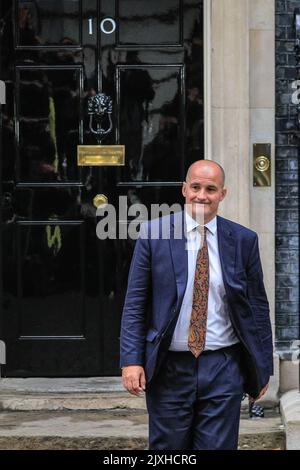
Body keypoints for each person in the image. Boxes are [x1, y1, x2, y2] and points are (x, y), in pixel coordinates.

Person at [120, 160, 273, 450]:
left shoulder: (243, 240)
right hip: (169, 367)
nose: (202, 195)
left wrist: (263, 365)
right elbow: (135, 304)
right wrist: (131, 360)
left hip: (223, 367)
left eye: (211, 189)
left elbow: (257, 309)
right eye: (196, 187)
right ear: (184, 189)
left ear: (222, 194)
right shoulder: (154, 236)